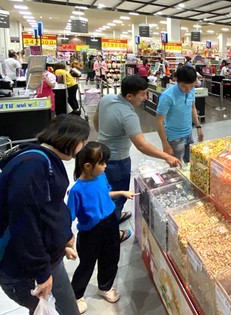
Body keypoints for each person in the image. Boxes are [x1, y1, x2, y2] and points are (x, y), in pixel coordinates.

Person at [0, 115, 90, 315]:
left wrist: (60, 243)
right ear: (71, 139)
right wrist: (42, 273)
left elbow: (46, 209)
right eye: (82, 142)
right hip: (29, 269)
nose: (82, 148)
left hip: (47, 258)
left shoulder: (43, 157)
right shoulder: (33, 165)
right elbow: (24, 224)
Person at [94, 75, 180, 222]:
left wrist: (105, 137)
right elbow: (141, 145)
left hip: (100, 155)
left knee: (106, 192)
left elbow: (96, 119)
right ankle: (112, 230)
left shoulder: (107, 98)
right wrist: (167, 156)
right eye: (143, 94)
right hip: (117, 162)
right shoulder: (128, 115)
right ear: (129, 96)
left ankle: (112, 218)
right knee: (118, 196)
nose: (145, 97)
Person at [68, 142, 134, 313]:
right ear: (88, 166)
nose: (106, 166)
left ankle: (105, 287)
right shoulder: (76, 190)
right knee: (87, 264)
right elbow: (68, 216)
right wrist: (67, 242)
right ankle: (76, 295)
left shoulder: (101, 177)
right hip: (90, 232)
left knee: (111, 257)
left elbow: (105, 193)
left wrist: (120, 193)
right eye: (102, 163)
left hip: (111, 222)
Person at [156, 66, 204, 163]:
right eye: (184, 87)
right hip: (174, 137)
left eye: (191, 86)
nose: (188, 89)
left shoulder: (191, 91)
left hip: (188, 133)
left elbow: (192, 108)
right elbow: (159, 121)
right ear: (176, 80)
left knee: (189, 162)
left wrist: (198, 127)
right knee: (176, 167)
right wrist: (165, 144)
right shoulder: (167, 96)